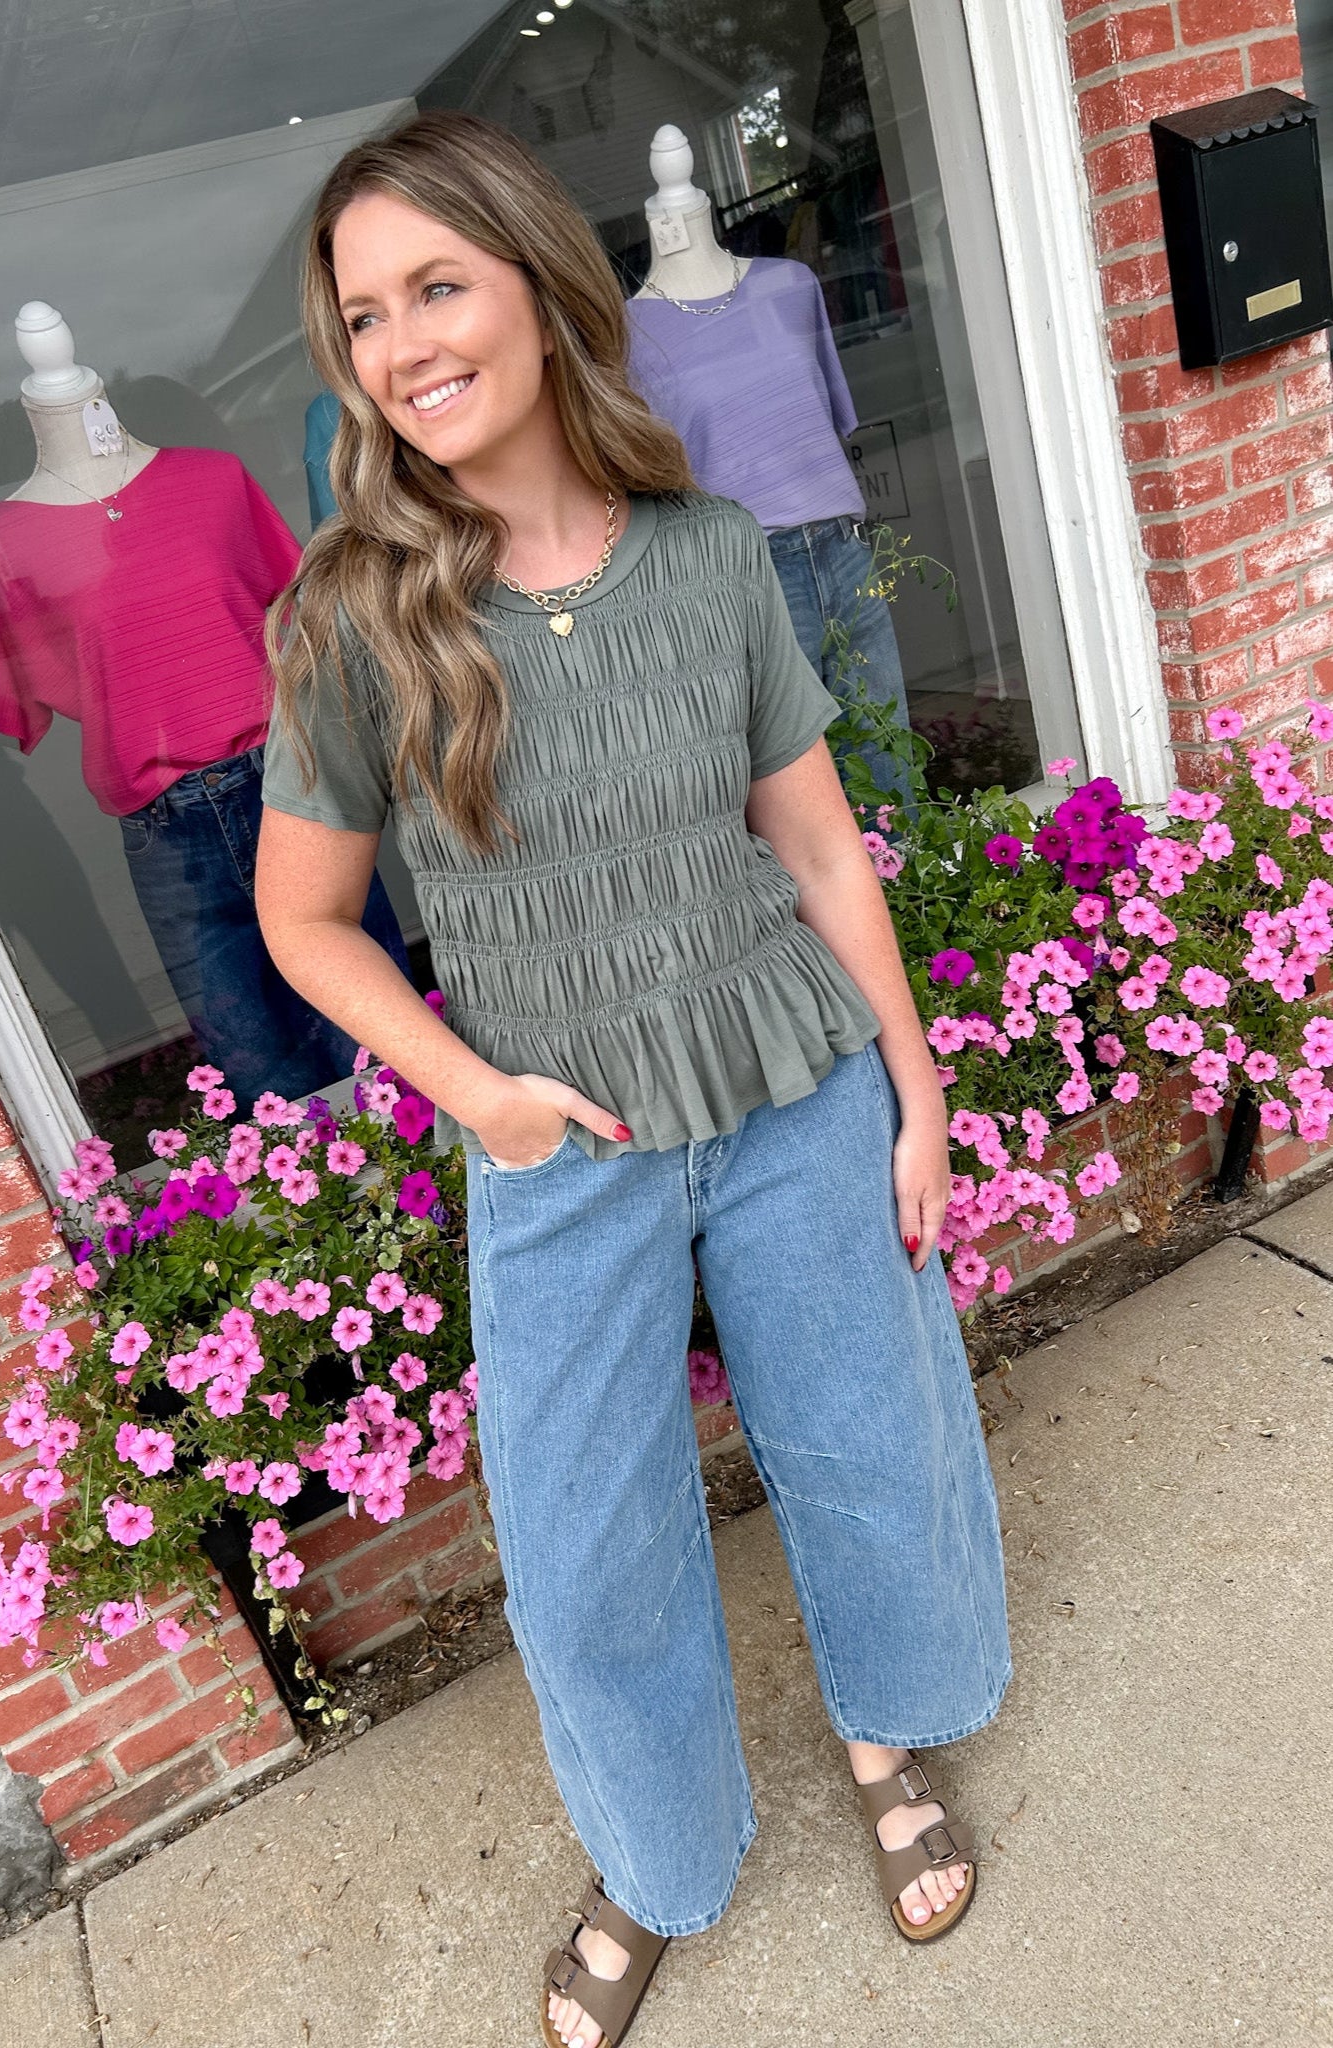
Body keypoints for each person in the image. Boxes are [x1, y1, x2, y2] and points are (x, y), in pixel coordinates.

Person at [255, 110, 1010, 2048]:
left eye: (438, 284)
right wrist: (476, 1094)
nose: (406, 341)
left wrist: (912, 1090)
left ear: (532, 283)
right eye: (365, 312)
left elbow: (822, 846)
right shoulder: (352, 612)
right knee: (584, 1547)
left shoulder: (706, 557)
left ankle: (879, 1736)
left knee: (866, 1434)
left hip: (782, 1071)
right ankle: (656, 1855)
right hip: (552, 1135)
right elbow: (309, 922)